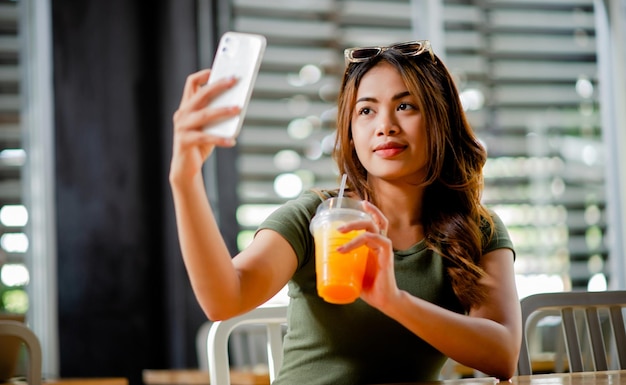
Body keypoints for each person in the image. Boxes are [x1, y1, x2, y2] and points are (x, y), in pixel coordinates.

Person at [169, 39, 522, 384]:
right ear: (351, 132)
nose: (385, 125)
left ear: (440, 120)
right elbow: (225, 300)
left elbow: (502, 356)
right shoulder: (317, 216)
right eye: (366, 110)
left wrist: (394, 300)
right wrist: (185, 180)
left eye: (405, 106)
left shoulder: (478, 229)